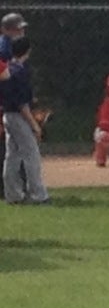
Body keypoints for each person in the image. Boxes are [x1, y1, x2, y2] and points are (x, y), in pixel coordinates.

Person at [0, 37, 50, 204]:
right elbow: (22, 104)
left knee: (12, 156)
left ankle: (13, 195)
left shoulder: (8, 69)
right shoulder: (20, 71)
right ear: (28, 51)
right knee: (31, 154)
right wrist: (35, 125)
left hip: (7, 115)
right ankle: (38, 195)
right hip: (19, 116)